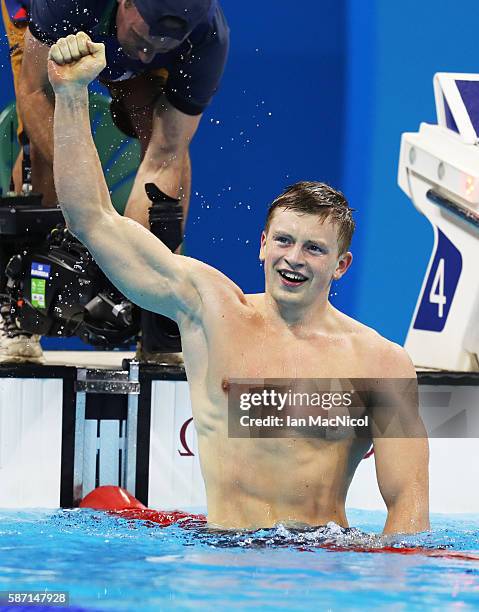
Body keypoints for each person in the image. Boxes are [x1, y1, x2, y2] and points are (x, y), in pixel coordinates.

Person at [48, 34, 430, 533]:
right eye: (284, 241)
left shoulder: (382, 364)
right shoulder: (208, 310)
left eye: (314, 249)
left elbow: (408, 506)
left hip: (322, 568)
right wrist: (72, 94)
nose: (294, 260)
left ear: (341, 265)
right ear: (262, 243)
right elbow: (92, 219)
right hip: (224, 562)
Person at [0, 0, 229, 364]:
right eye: (141, 37)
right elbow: (33, 91)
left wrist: (135, 271)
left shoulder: (207, 37)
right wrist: (89, 197)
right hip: (58, 18)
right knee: (46, 135)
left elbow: (165, 152)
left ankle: (158, 322)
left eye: (159, 47)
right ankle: (20, 312)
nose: (144, 52)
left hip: (110, 23)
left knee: (161, 137)